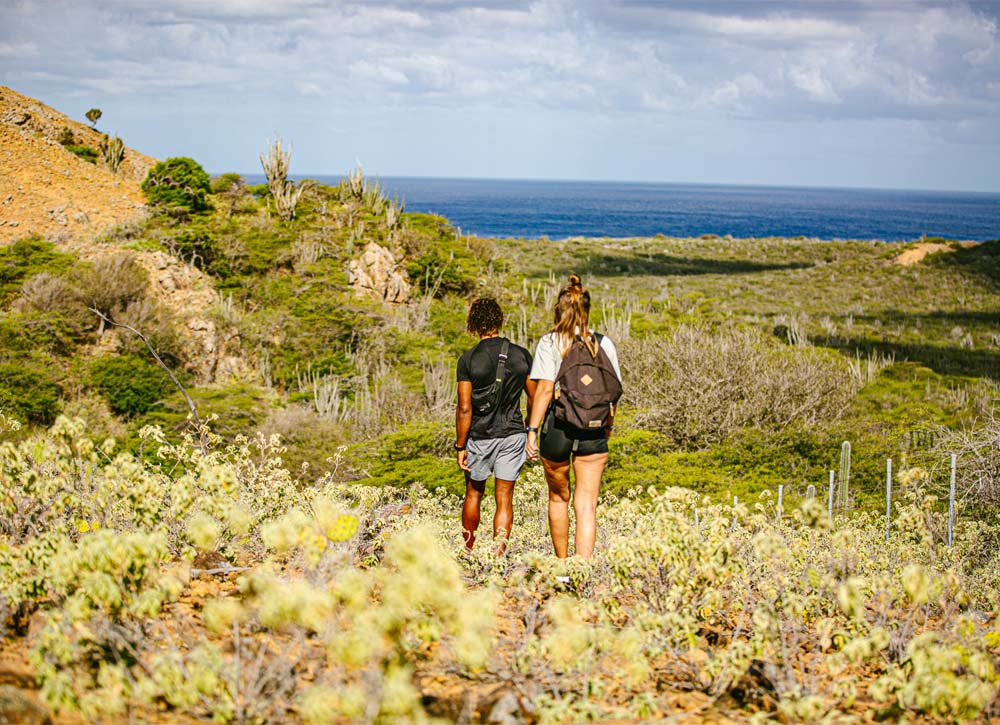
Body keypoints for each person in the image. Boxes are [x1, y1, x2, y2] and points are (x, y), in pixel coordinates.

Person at [525, 274, 622, 559]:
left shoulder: (549, 342)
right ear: (587, 310)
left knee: (558, 497)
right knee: (587, 505)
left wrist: (532, 430)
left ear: (559, 309)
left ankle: (563, 568)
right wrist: (608, 428)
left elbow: (543, 389)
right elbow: (611, 393)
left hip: (558, 428)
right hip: (594, 428)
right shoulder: (605, 344)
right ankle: (584, 569)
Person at [455, 298, 535, 554]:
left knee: (474, 494)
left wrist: (460, 445)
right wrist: (529, 426)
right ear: (500, 321)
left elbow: (464, 408)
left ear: (473, 324)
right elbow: (533, 396)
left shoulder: (468, 360)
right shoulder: (521, 355)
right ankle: (498, 555)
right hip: (512, 435)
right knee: (504, 498)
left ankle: (469, 550)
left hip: (479, 437)